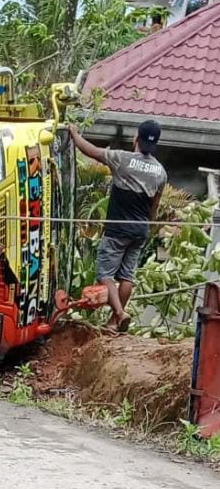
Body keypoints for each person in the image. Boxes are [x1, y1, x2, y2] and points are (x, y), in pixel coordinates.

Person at [69, 120, 167, 333]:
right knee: (127, 276)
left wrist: (75, 134)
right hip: (140, 230)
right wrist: (146, 227)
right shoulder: (160, 172)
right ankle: (114, 323)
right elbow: (155, 206)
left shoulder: (122, 159)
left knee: (105, 274)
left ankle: (120, 314)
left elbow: (93, 151)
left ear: (136, 138)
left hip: (117, 230)